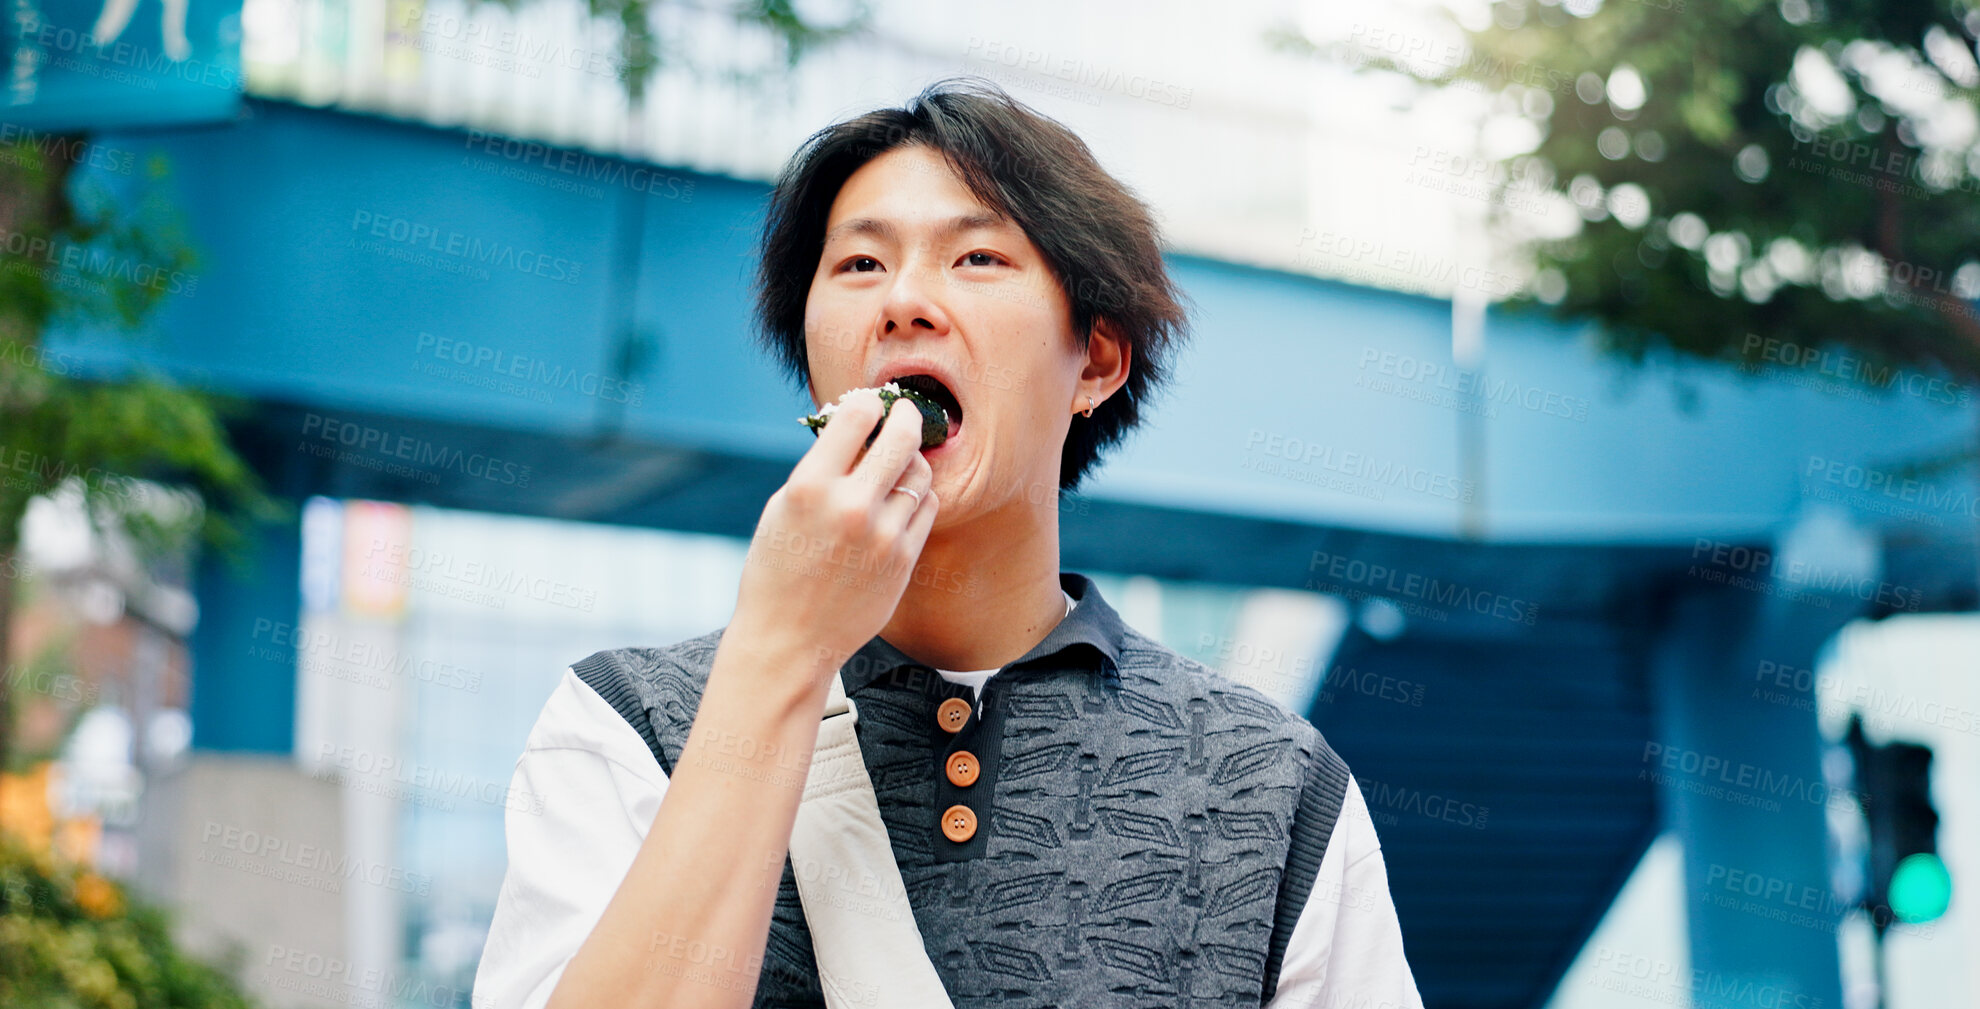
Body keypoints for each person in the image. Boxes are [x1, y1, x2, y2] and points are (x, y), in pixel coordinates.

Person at [472, 78, 1422, 1009]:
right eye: (858, 266)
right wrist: (781, 653)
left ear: (1094, 359)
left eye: (976, 259)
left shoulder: (1270, 781)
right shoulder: (624, 726)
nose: (904, 303)